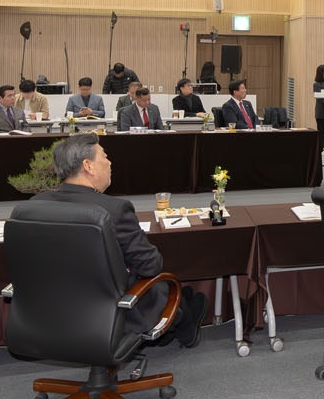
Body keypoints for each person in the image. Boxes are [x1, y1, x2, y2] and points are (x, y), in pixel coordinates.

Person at [21, 135, 205, 350]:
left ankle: (183, 314)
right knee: (168, 287)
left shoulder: (33, 206)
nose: (109, 162)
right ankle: (184, 323)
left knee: (180, 297)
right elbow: (151, 266)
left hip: (53, 311)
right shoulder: (114, 210)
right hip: (112, 312)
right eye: (104, 156)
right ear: (88, 166)